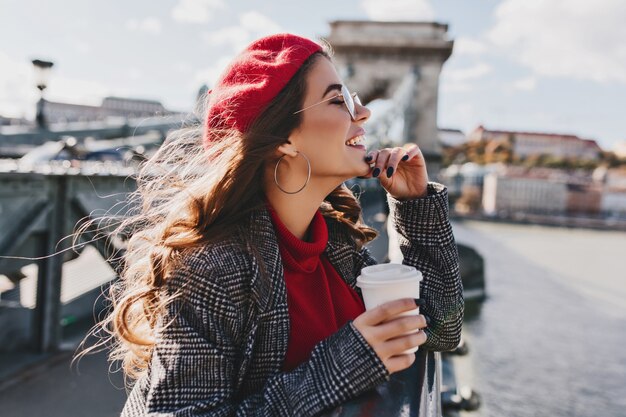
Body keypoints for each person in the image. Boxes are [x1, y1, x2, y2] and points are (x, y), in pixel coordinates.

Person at [105, 33, 463, 416]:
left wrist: (415, 204)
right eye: (336, 99)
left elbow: (442, 330)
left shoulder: (334, 245)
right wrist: (343, 364)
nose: (363, 113)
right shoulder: (212, 268)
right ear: (284, 140)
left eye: (353, 98)